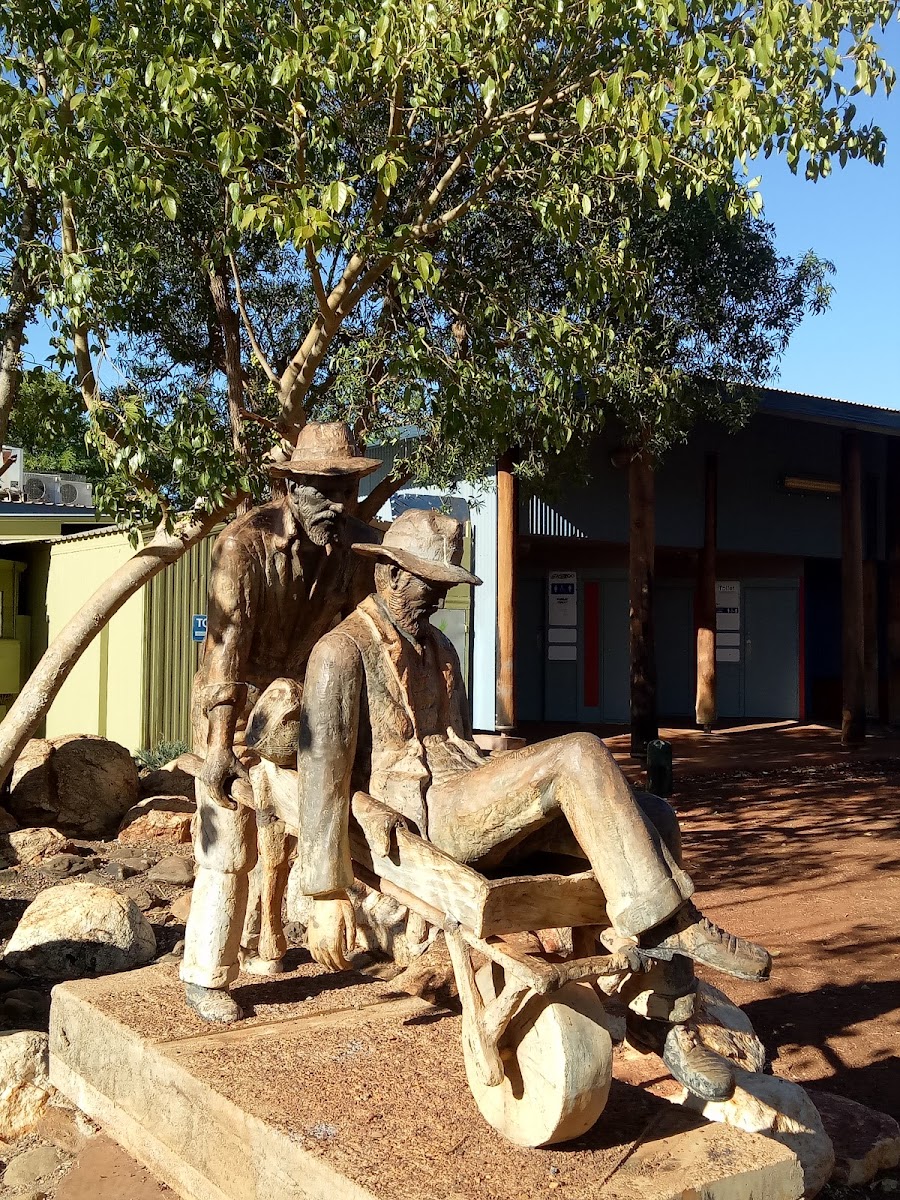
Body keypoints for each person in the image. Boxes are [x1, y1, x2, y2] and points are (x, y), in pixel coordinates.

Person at [295, 507, 771, 1100]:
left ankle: (664, 1016)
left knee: (656, 817)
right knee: (576, 753)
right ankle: (677, 923)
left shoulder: (439, 647)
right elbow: (322, 774)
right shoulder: (340, 653)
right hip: (428, 815)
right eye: (431, 585)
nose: (440, 598)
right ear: (389, 575)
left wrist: (502, 763)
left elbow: (458, 740)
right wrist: (325, 892)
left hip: (472, 791)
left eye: (446, 585)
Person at [181, 422, 379, 1024]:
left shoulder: (351, 546)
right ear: (290, 486)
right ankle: (208, 972)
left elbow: (363, 633)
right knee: (229, 839)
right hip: (234, 707)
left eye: (345, 490)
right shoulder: (242, 546)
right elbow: (226, 645)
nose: (338, 505)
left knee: (315, 815)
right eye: (324, 490)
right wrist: (219, 747)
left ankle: (284, 933)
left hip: (303, 707)